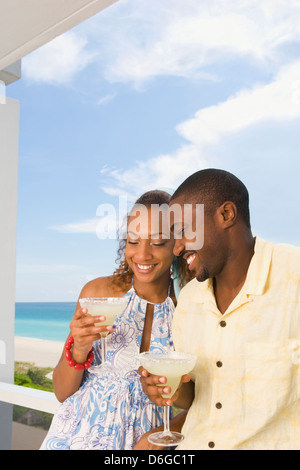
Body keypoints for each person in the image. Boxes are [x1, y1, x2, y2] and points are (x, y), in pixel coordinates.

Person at [140, 169, 300, 450]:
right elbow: (195, 396)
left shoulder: (294, 275)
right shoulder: (189, 300)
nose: (176, 248)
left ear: (226, 214)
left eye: (182, 231)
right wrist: (176, 389)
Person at [40, 189, 193, 450]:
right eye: (134, 242)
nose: (142, 255)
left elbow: (203, 400)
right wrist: (79, 348)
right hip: (76, 437)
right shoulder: (97, 294)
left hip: (150, 444)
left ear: (177, 245)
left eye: (156, 243)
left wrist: (167, 430)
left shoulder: (190, 307)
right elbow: (62, 392)